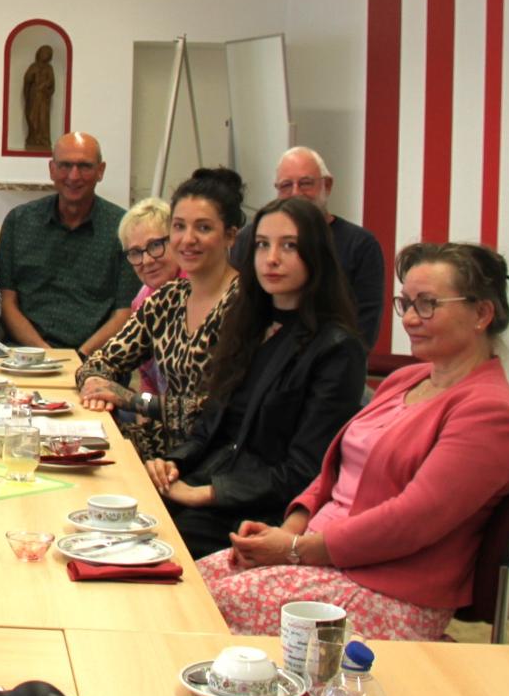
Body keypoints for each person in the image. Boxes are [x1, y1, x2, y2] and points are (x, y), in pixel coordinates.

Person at [196, 242, 509, 641]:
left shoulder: (490, 414)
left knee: (203, 608)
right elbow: (334, 472)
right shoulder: (406, 380)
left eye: (427, 304)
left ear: (481, 314)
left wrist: (296, 549)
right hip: (324, 559)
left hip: (388, 591)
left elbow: (410, 521)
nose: (409, 319)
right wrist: (289, 531)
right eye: (405, 303)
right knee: (183, 584)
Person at [148, 197, 367, 558]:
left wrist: (208, 493)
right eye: (263, 245)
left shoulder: (337, 349)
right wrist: (173, 464)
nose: (272, 258)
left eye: (289, 246)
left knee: (156, 549)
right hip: (207, 483)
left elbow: (305, 469)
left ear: (316, 255)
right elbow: (209, 427)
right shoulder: (250, 323)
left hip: (258, 512)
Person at [75, 167, 244, 459]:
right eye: (179, 227)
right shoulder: (166, 300)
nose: (187, 239)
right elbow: (101, 361)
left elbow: (222, 415)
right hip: (159, 450)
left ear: (230, 236)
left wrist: (131, 399)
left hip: (213, 463)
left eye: (203, 228)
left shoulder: (244, 305)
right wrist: (94, 383)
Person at [0, 132, 140, 358]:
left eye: (84, 166)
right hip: (23, 355)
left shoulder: (124, 229)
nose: (74, 176)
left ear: (100, 171)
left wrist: (79, 356)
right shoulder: (20, 221)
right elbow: (6, 301)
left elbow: (125, 311)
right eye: (65, 165)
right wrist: (44, 354)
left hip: (95, 358)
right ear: (52, 169)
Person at [228, 147, 386, 348]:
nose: (296, 193)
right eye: (286, 185)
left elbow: (364, 328)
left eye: (305, 183)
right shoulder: (248, 238)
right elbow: (238, 308)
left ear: (327, 186)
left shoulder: (361, 245)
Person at [118, 196, 179, 396]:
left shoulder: (197, 293)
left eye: (155, 246)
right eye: (135, 252)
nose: (147, 260)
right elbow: (147, 380)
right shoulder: (142, 300)